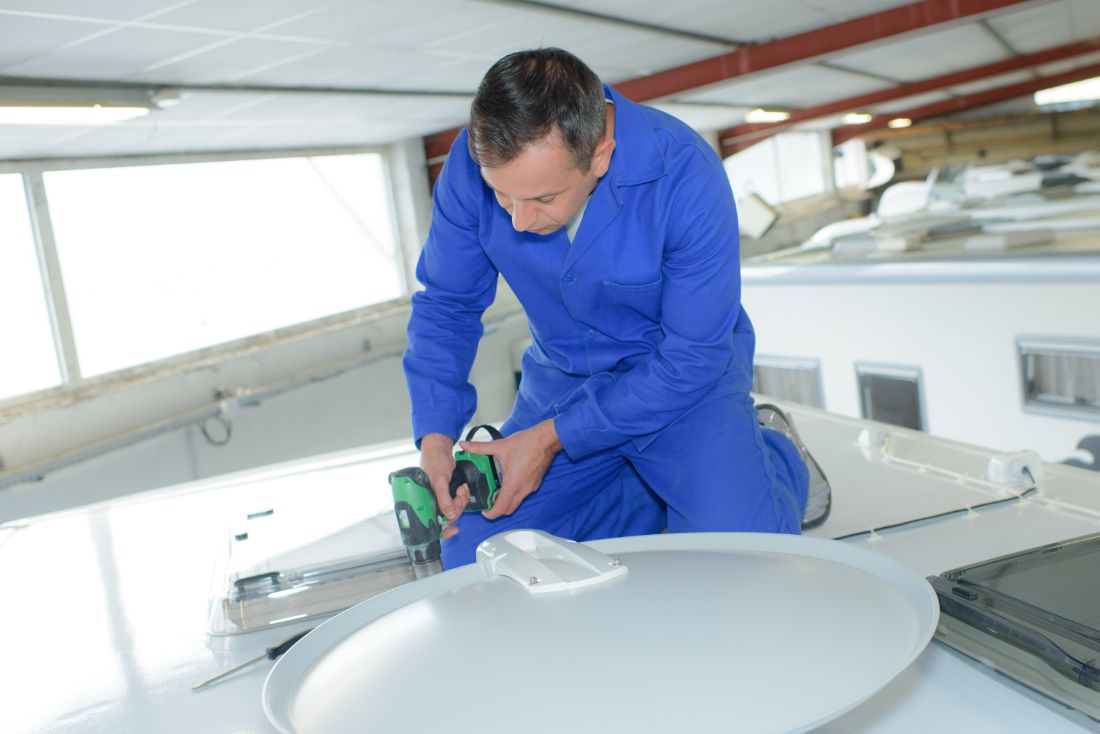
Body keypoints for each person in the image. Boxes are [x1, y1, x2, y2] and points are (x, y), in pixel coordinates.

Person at [402, 48, 829, 568]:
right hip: (562, 380)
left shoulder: (686, 174)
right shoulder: (472, 168)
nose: (516, 221)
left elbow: (693, 357)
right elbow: (447, 305)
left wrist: (551, 440)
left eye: (542, 199)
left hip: (680, 386)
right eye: (502, 197)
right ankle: (642, 487)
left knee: (740, 562)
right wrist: (436, 437)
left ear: (600, 155)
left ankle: (778, 456)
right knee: (477, 556)